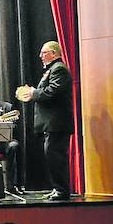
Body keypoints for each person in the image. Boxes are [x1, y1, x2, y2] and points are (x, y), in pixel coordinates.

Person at [17, 40, 73, 201]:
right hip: (52, 124)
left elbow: (52, 91)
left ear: (54, 54)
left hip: (57, 123)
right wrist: (34, 92)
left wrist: (33, 93)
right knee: (52, 156)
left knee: (56, 156)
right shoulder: (52, 69)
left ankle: (62, 190)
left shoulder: (59, 69)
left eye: (44, 53)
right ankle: (58, 188)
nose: (40, 56)